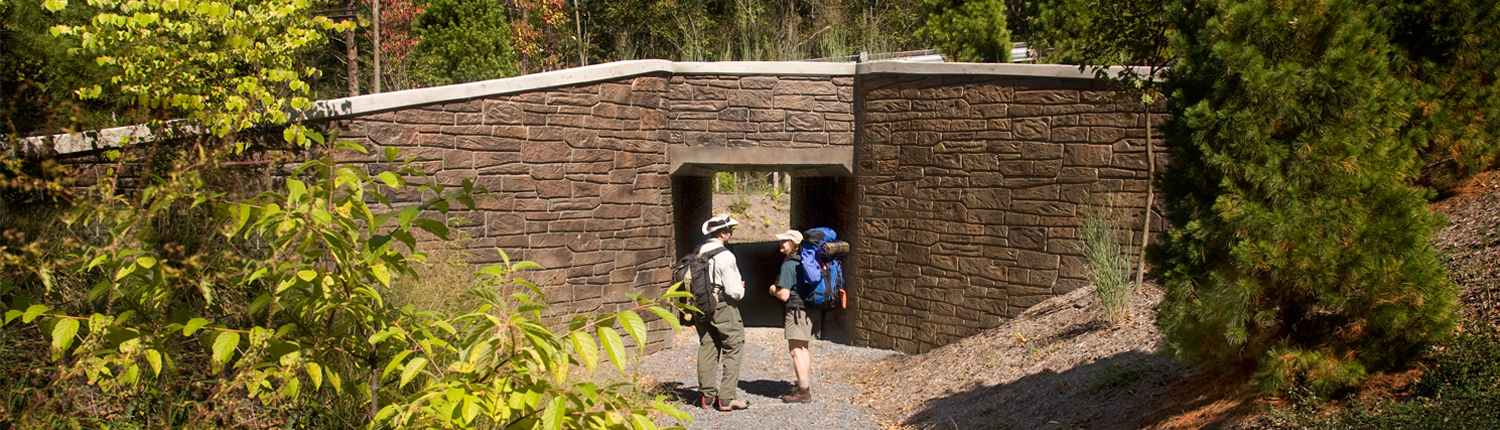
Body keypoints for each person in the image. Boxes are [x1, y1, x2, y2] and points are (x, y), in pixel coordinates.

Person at [695, 214, 749, 411]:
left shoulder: (698, 252)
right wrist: (741, 287)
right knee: (733, 347)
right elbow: (735, 291)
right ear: (723, 233)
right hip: (721, 306)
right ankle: (726, 398)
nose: (731, 232)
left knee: (707, 346)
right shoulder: (726, 255)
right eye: (730, 229)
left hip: (700, 305)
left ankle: (706, 397)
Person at [768, 229, 818, 403]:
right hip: (808, 309)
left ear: (794, 244)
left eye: (785, 241)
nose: (781, 244)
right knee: (803, 348)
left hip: (795, 311)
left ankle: (803, 392)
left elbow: (784, 295)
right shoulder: (804, 261)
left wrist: (773, 290)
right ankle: (802, 384)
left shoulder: (789, 265)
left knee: (795, 350)